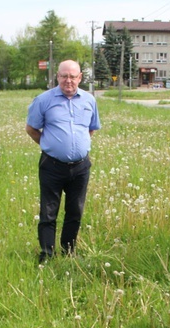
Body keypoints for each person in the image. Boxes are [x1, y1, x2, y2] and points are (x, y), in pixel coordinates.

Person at [25, 60, 101, 263]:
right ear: (57, 77)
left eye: (73, 76)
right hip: (52, 166)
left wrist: (76, 147)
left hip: (81, 167)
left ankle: (69, 251)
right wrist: (50, 145)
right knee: (48, 212)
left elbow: (91, 128)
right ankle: (47, 255)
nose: (68, 80)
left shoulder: (89, 100)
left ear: (80, 78)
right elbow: (31, 129)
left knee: (75, 211)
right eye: (64, 76)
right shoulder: (43, 100)